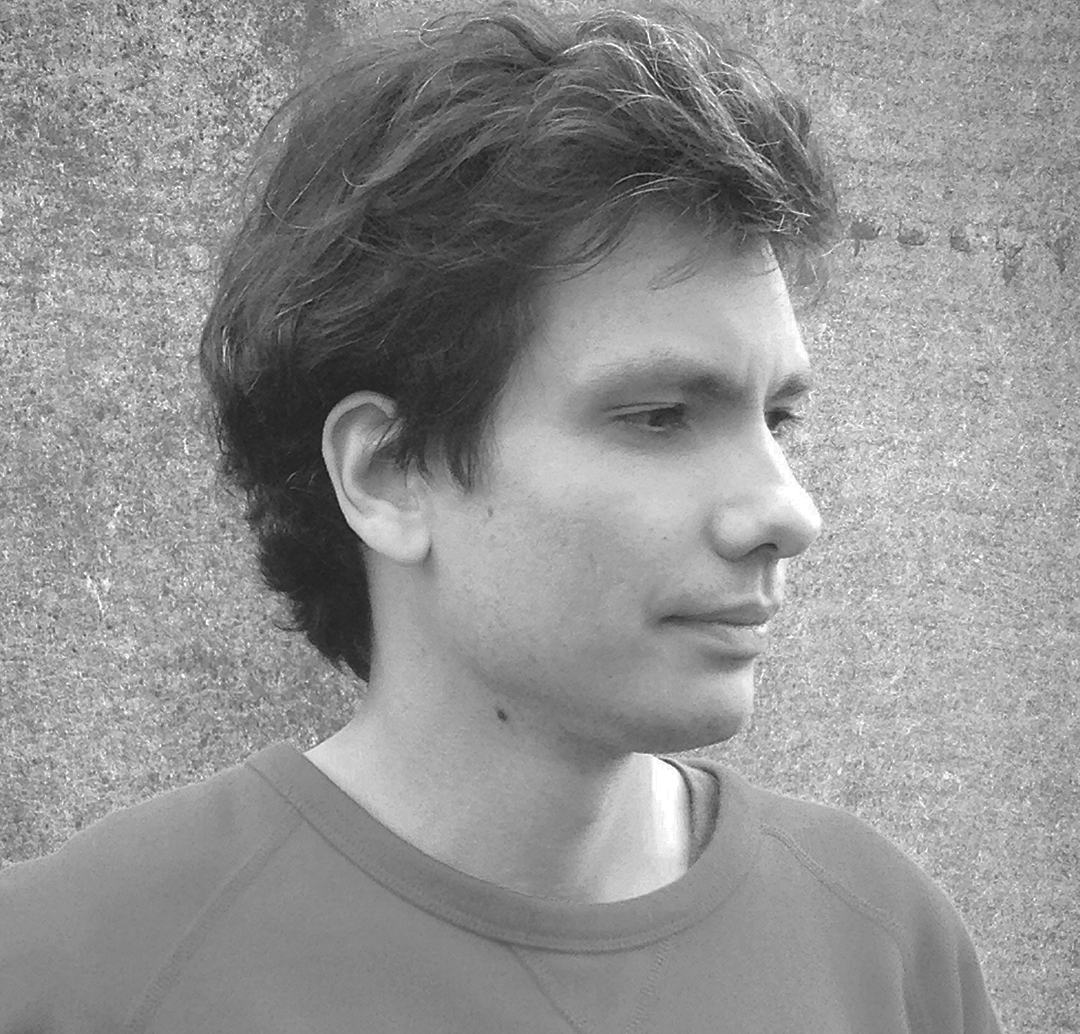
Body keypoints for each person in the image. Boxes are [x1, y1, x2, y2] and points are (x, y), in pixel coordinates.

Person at [1, 3, 1002, 1031]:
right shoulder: (72, 973)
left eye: (778, 418)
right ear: (389, 474)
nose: (789, 511)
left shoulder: (882, 942)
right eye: (659, 415)